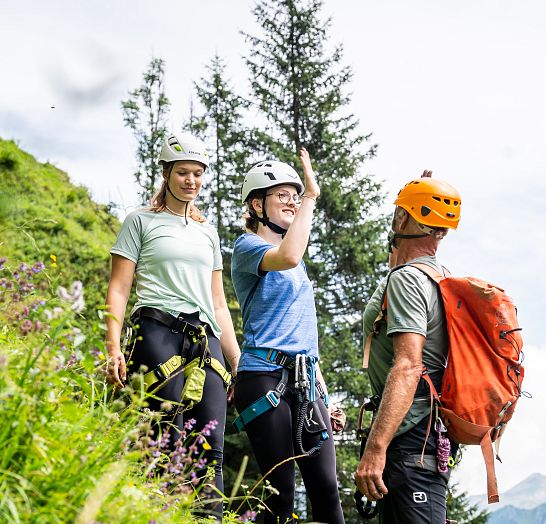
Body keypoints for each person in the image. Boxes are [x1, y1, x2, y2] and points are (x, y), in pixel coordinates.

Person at [104, 132, 241, 520]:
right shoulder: (140, 222)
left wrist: (235, 359)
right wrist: (113, 347)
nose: (191, 181)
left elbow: (218, 302)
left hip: (205, 341)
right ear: (166, 173)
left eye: (198, 174)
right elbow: (119, 288)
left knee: (210, 445)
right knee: (162, 438)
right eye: (183, 173)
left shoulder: (207, 231)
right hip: (157, 332)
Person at [230, 149, 345, 524]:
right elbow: (289, 255)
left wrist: (325, 397)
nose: (293, 202)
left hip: (305, 379)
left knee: (327, 491)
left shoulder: (296, 263)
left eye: (296, 196)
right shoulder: (248, 249)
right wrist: (311, 195)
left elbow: (305, 339)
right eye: (283, 195)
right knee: (280, 494)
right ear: (256, 204)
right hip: (264, 377)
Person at [355, 172, 462, 524]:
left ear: (402, 218)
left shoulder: (407, 281)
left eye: (399, 211)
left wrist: (375, 448)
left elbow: (408, 366)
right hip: (425, 436)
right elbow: (396, 265)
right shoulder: (436, 277)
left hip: (410, 438)